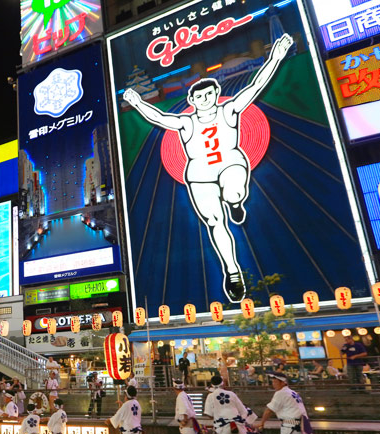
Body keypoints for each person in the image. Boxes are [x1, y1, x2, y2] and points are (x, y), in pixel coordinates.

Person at [123, 33, 294, 301]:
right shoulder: (186, 122)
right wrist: (136, 103)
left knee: (234, 192)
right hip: (200, 175)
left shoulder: (230, 110)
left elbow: (256, 85)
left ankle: (235, 202)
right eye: (199, 95)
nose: (204, 98)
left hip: (230, 163)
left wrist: (276, 56)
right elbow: (158, 116)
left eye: (208, 93)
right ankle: (232, 271)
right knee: (215, 222)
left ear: (216, 93)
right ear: (192, 100)